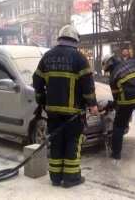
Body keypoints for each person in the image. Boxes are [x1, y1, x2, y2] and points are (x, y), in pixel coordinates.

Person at [32, 25, 99, 188]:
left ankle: (55, 177)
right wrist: (92, 105)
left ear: (60, 38)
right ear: (75, 40)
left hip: (53, 112)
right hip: (73, 112)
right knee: (72, 142)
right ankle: (71, 178)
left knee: (56, 142)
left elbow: (37, 80)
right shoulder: (79, 58)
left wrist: (42, 100)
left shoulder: (47, 56)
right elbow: (87, 84)